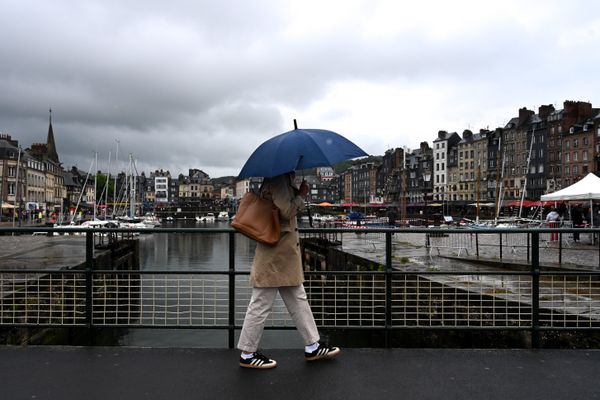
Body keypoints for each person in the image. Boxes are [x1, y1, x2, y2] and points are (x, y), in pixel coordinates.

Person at [238, 171, 340, 369]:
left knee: (298, 299)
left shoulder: (279, 179)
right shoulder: (278, 179)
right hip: (275, 254)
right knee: (260, 303)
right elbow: (286, 211)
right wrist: (301, 195)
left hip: (282, 253)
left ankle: (313, 345)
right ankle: (247, 353)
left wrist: (297, 192)